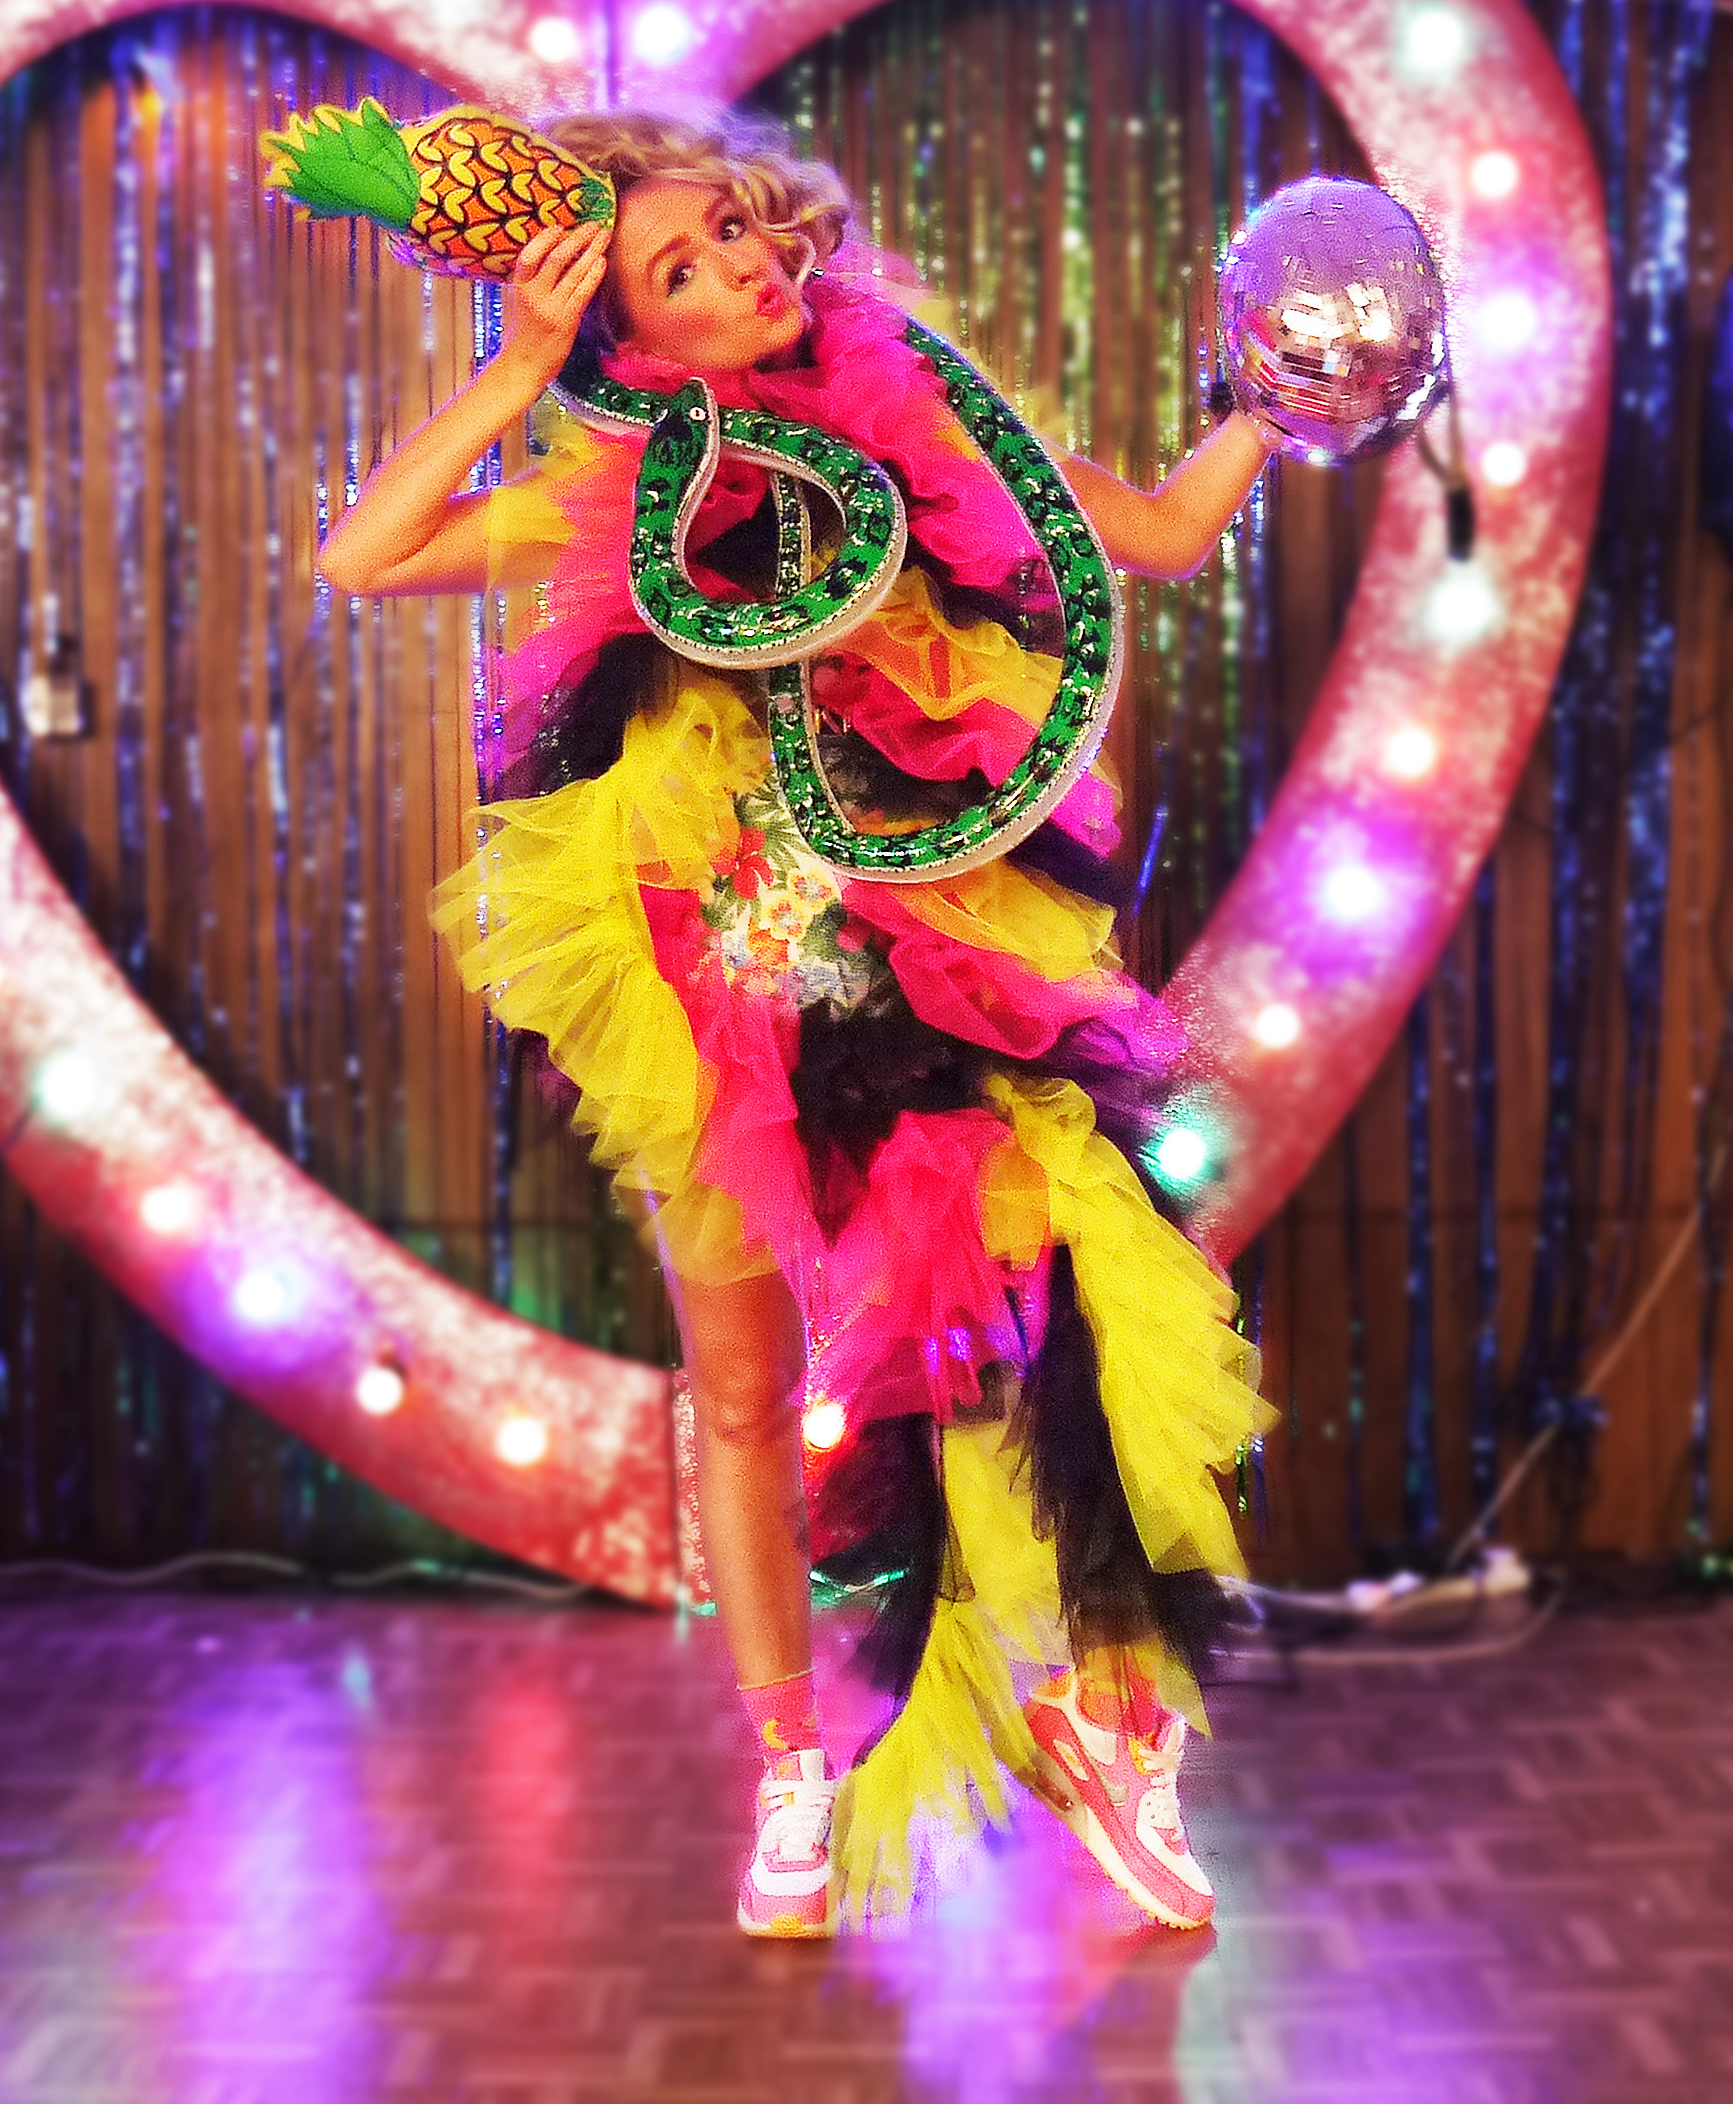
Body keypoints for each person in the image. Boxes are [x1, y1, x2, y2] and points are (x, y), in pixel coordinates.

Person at [317, 109, 1276, 1939]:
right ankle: (788, 1768)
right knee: (750, 1387)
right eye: (678, 270)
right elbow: (366, 553)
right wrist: (520, 363)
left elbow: (1152, 533)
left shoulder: (922, 425)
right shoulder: (622, 494)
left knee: (1068, 1282)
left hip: (932, 957)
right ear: (625, 335)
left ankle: (1103, 1700)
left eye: (733, 231)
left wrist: (1283, 403)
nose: (739, 268)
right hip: (720, 984)